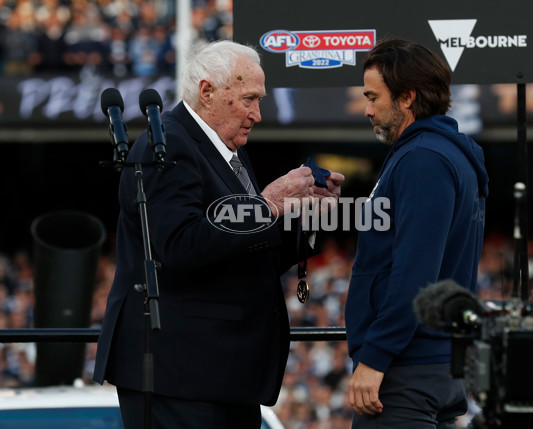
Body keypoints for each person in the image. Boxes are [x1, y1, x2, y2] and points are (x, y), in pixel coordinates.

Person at [93, 40, 344, 429]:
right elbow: (179, 246)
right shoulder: (168, 145)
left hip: (223, 373)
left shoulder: (229, 149)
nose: (258, 115)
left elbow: (248, 247)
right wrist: (267, 204)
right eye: (249, 99)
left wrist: (306, 216)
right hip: (182, 372)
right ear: (208, 91)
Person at [344, 38, 489, 428]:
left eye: (373, 97)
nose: (367, 110)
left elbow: (415, 274)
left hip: (407, 371)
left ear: (407, 97)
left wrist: (376, 356)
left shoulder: (424, 158)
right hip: (435, 365)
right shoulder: (443, 154)